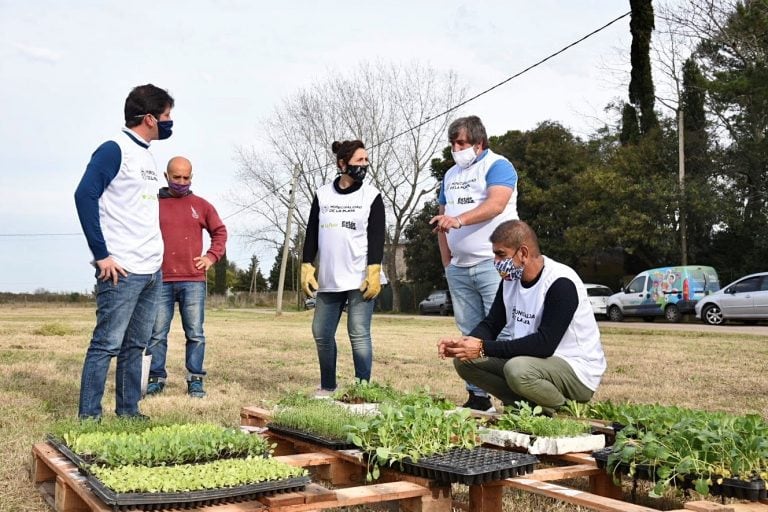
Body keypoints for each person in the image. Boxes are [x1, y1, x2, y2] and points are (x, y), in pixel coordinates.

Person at [74, 84, 175, 419]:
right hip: (122, 269)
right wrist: (101, 254)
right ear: (148, 118)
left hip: (151, 271)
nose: (169, 123)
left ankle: (129, 412)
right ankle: (89, 418)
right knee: (106, 344)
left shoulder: (146, 153)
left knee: (136, 345)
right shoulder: (113, 149)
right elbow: (84, 195)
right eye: (165, 116)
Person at [437, 220, 607, 414]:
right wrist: (465, 344)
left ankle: (565, 411)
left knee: (516, 369)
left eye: (501, 254)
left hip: (576, 370)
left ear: (523, 253)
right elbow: (492, 324)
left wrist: (482, 348)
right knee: (464, 361)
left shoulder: (561, 283)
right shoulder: (510, 280)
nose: (496, 261)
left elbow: (544, 344)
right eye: (494, 254)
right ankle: (526, 407)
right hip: (533, 363)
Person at [430, 115, 519, 412]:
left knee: (504, 331)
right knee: (468, 333)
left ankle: (514, 398)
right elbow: (442, 217)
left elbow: (496, 205)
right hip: (460, 267)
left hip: (493, 265)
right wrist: (447, 261)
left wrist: (459, 220)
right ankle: (478, 398)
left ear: (479, 144)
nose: (456, 148)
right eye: (452, 143)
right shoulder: (450, 175)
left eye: (462, 143)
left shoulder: (498, 166)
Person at [300, 140, 385, 397]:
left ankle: (362, 390)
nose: (365, 166)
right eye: (360, 161)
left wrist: (374, 270)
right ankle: (327, 386)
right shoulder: (323, 194)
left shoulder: (371, 196)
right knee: (321, 333)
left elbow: (377, 235)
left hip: (360, 278)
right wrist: (306, 265)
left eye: (366, 161)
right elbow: (312, 231)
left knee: (358, 334)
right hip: (329, 279)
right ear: (342, 164)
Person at [145, 156, 227, 398]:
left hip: (193, 280)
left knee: (195, 333)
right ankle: (155, 378)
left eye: (186, 177)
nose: (181, 181)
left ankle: (195, 380)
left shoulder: (201, 205)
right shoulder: (152, 204)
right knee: (157, 333)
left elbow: (220, 232)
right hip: (159, 279)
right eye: (176, 177)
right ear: (166, 176)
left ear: (192, 177)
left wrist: (211, 257)